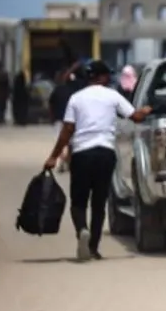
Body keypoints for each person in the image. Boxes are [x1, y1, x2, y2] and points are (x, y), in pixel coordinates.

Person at [43, 61, 152, 261]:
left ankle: (82, 231)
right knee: (99, 202)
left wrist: (54, 156)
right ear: (102, 77)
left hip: (82, 154)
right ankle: (93, 247)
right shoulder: (112, 95)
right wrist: (146, 110)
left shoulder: (76, 98)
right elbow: (135, 116)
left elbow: (67, 131)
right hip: (105, 153)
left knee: (79, 201)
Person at [48, 68, 78, 172]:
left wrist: (51, 117)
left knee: (60, 142)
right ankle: (68, 162)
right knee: (70, 144)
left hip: (58, 119)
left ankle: (63, 160)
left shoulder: (57, 90)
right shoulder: (75, 93)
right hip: (71, 120)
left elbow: (51, 105)